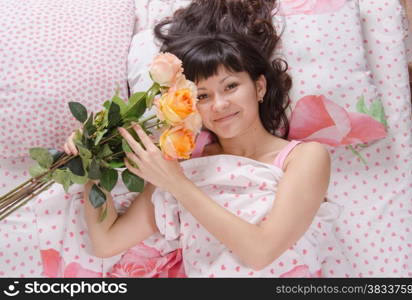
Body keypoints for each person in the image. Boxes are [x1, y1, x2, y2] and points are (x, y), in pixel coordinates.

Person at [63, 0, 333, 277]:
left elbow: (261, 252)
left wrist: (177, 184)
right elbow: (108, 242)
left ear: (259, 86)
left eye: (231, 86)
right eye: (203, 96)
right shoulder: (182, 166)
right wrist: (91, 160)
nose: (219, 105)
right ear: (189, 104)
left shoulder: (304, 157)